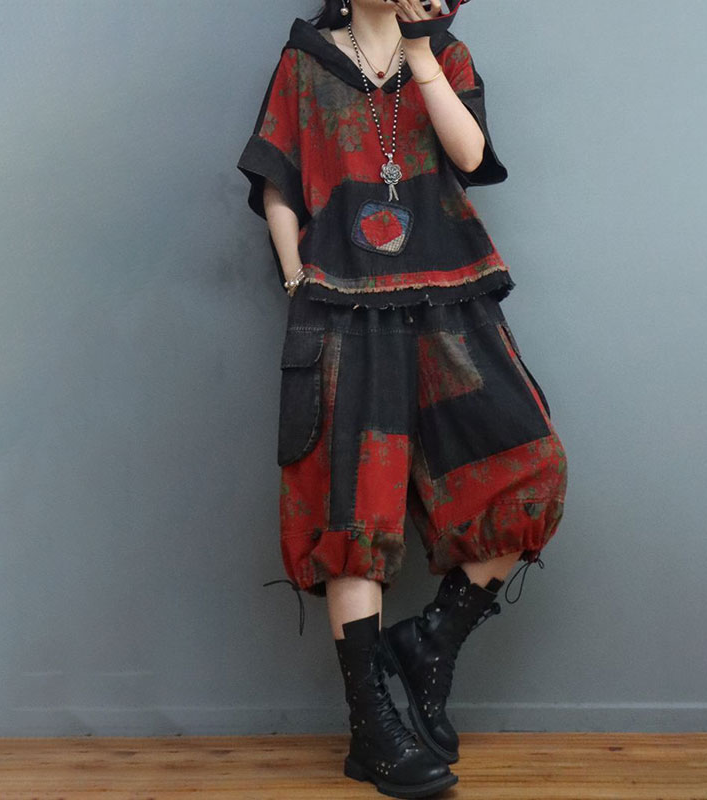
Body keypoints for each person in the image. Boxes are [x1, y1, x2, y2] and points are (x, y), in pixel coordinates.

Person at [237, 1, 568, 797]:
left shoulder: (444, 53)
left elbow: (470, 154)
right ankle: (371, 731)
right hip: (342, 306)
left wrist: (420, 51)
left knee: (531, 467)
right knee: (353, 508)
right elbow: (278, 184)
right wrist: (297, 280)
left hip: (450, 300)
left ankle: (430, 642)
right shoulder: (306, 63)